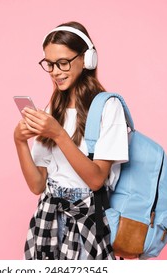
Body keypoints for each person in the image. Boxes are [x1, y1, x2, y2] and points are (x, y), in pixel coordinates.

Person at [13, 21, 129, 260]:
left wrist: (58, 133)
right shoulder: (52, 109)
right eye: (50, 64)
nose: (56, 71)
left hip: (88, 217)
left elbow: (97, 179)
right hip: (48, 215)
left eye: (63, 62)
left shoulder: (109, 107)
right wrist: (19, 141)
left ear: (87, 60)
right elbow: (37, 185)